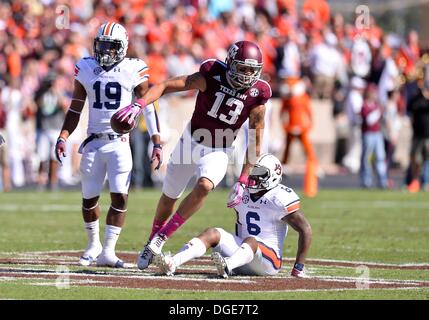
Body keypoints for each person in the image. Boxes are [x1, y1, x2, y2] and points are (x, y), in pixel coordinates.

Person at [118, 40, 271, 270]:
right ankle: (152, 239)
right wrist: (139, 104)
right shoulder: (211, 74)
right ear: (230, 64)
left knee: (205, 186)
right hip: (190, 141)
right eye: (243, 68)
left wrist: (243, 178)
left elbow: (255, 138)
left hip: (219, 148)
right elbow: (167, 85)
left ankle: (162, 237)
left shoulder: (258, 93)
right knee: (169, 196)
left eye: (252, 70)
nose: (248, 75)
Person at [54, 22, 162, 268]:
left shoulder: (133, 69)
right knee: (88, 199)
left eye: (111, 47)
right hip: (93, 142)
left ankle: (108, 251)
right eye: (101, 45)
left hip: (120, 143)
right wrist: (63, 136)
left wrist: (156, 141)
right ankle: (93, 245)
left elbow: (149, 107)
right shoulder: (86, 67)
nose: (105, 51)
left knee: (120, 198)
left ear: (123, 47)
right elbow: (75, 107)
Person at [153, 154, 312, 278]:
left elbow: (305, 229)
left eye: (260, 173)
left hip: (268, 262)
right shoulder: (243, 192)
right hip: (242, 253)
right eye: (253, 172)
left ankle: (227, 265)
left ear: (273, 176)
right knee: (212, 233)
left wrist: (298, 267)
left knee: (252, 240)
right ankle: (173, 262)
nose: (254, 177)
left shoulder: (279, 198)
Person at [407, 74, 429, 193]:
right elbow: (410, 107)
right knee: (416, 159)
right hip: (418, 134)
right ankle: (416, 182)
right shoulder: (416, 99)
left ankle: (426, 183)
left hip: (427, 135)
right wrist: (419, 95)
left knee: (427, 160)